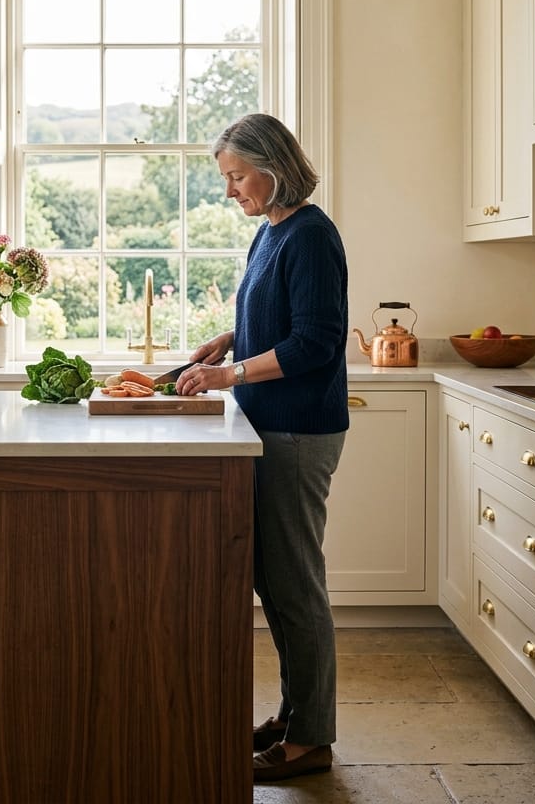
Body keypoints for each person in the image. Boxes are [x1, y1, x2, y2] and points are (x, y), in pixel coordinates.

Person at [175, 112, 348, 783]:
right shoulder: (271, 234)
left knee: (296, 585)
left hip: (299, 431)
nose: (230, 191)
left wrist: (229, 374)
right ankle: (296, 713)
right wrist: (230, 338)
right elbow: (276, 318)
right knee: (274, 582)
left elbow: (315, 343)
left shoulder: (311, 235)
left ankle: (312, 740)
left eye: (236, 176)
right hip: (270, 426)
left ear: (272, 167)